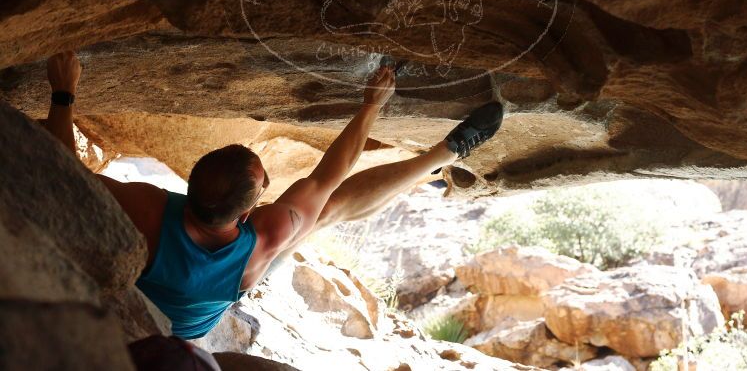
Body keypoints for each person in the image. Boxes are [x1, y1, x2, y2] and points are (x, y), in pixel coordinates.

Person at [43, 50, 504, 339]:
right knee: (328, 208)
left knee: (323, 207)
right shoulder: (266, 237)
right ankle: (442, 156)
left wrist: (63, 92)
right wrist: (370, 107)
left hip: (153, 312)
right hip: (188, 331)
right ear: (249, 213)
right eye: (263, 182)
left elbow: (64, 171)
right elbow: (330, 173)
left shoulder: (147, 209)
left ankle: (444, 153)